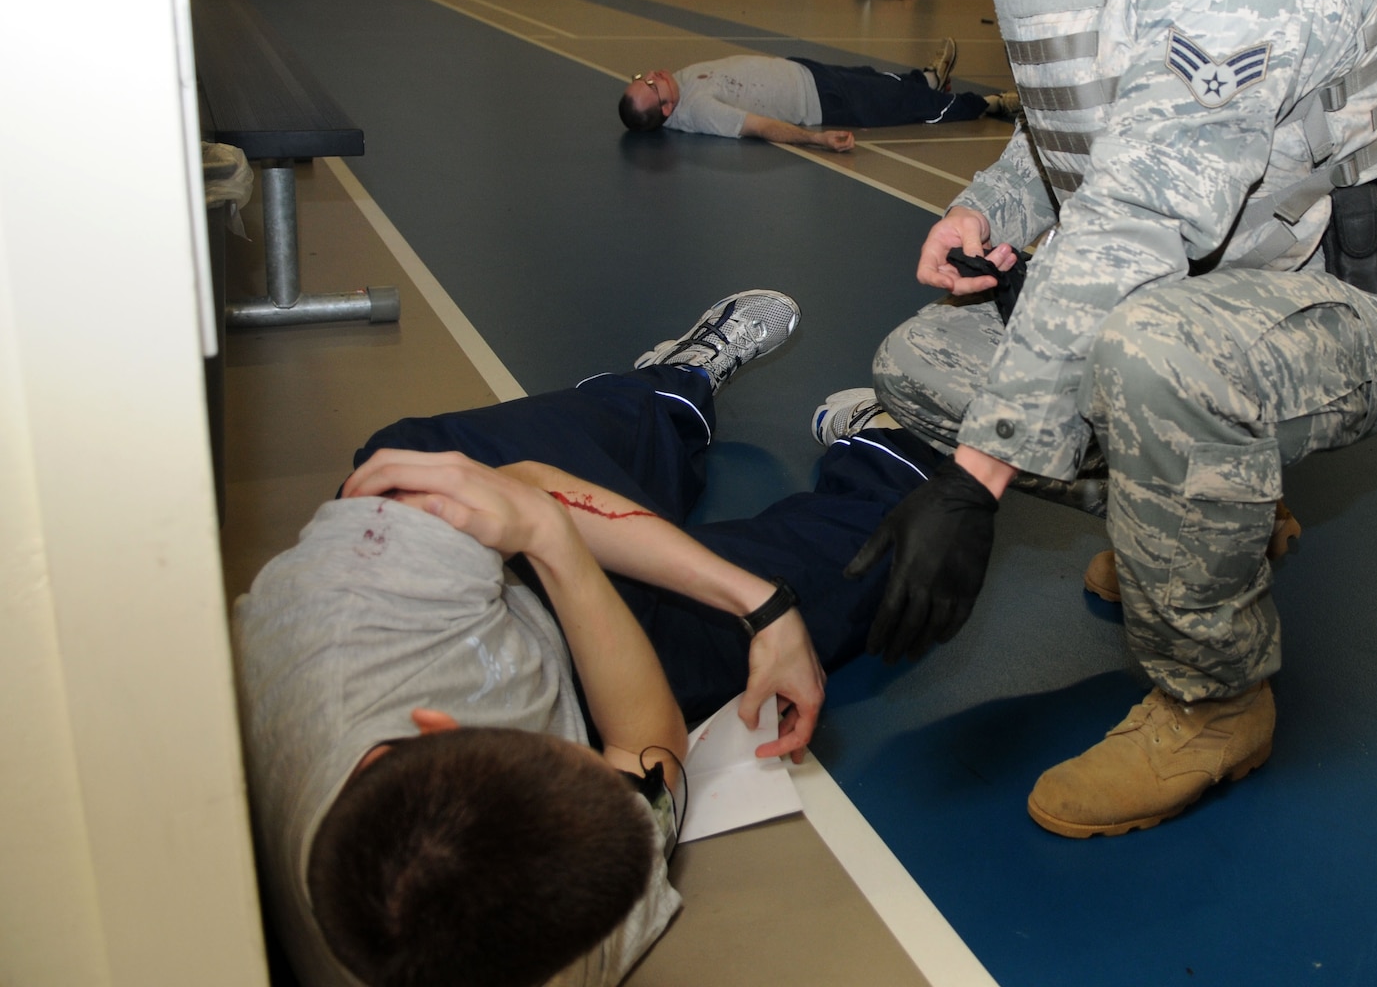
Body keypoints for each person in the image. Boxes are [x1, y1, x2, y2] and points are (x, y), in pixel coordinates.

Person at [859, 0, 1377, 840]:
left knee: (1147, 356)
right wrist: (993, 207)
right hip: (1220, 284)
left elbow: (1135, 216)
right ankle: (1204, 515)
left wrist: (977, 483)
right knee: (923, 364)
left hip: (1362, 299)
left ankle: (1213, 698)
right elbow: (1076, 125)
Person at [235, 289, 939, 987]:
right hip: (571, 647)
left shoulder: (355, 606)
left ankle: (671, 388)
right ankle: (893, 452)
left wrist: (546, 528)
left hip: (433, 575)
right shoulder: (571, 931)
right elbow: (637, 743)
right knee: (868, 574)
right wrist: (563, 543)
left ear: (430, 726)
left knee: (422, 458)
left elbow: (520, 489)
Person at [618, 39, 994, 148]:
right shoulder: (699, 110)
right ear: (667, 110)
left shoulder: (677, 84)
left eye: (643, 76)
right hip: (821, 100)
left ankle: (929, 77)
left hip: (805, 70)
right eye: (650, 84)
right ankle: (986, 105)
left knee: (878, 79)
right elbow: (760, 127)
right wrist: (816, 139)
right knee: (903, 105)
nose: (652, 74)